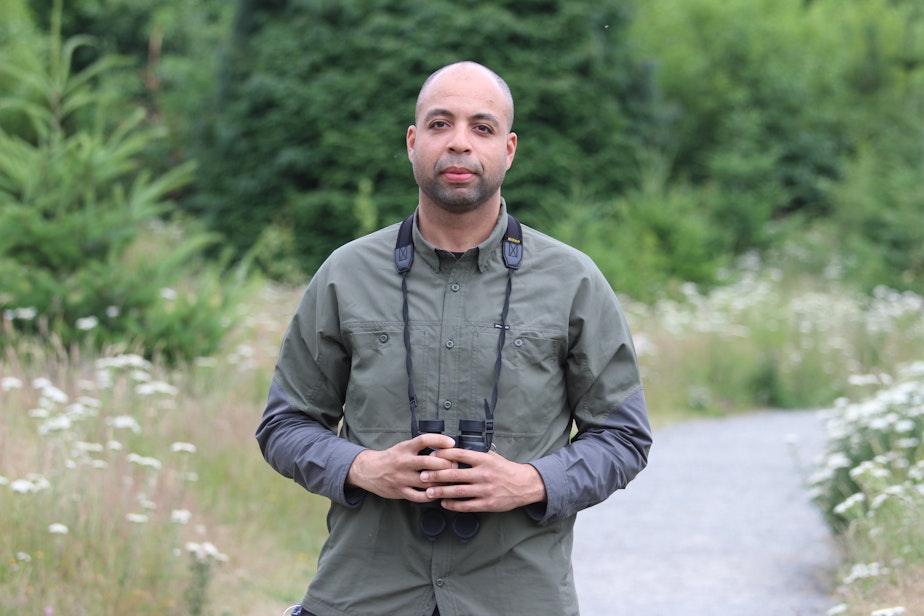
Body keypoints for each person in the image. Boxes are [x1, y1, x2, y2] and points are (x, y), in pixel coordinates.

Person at [257, 61, 652, 616]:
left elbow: (624, 437)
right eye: (441, 124)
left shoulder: (574, 281)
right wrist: (362, 468)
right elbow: (284, 424)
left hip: (518, 597)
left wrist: (532, 481)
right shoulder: (345, 274)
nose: (460, 143)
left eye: (482, 127)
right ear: (414, 143)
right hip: (362, 595)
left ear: (509, 149)